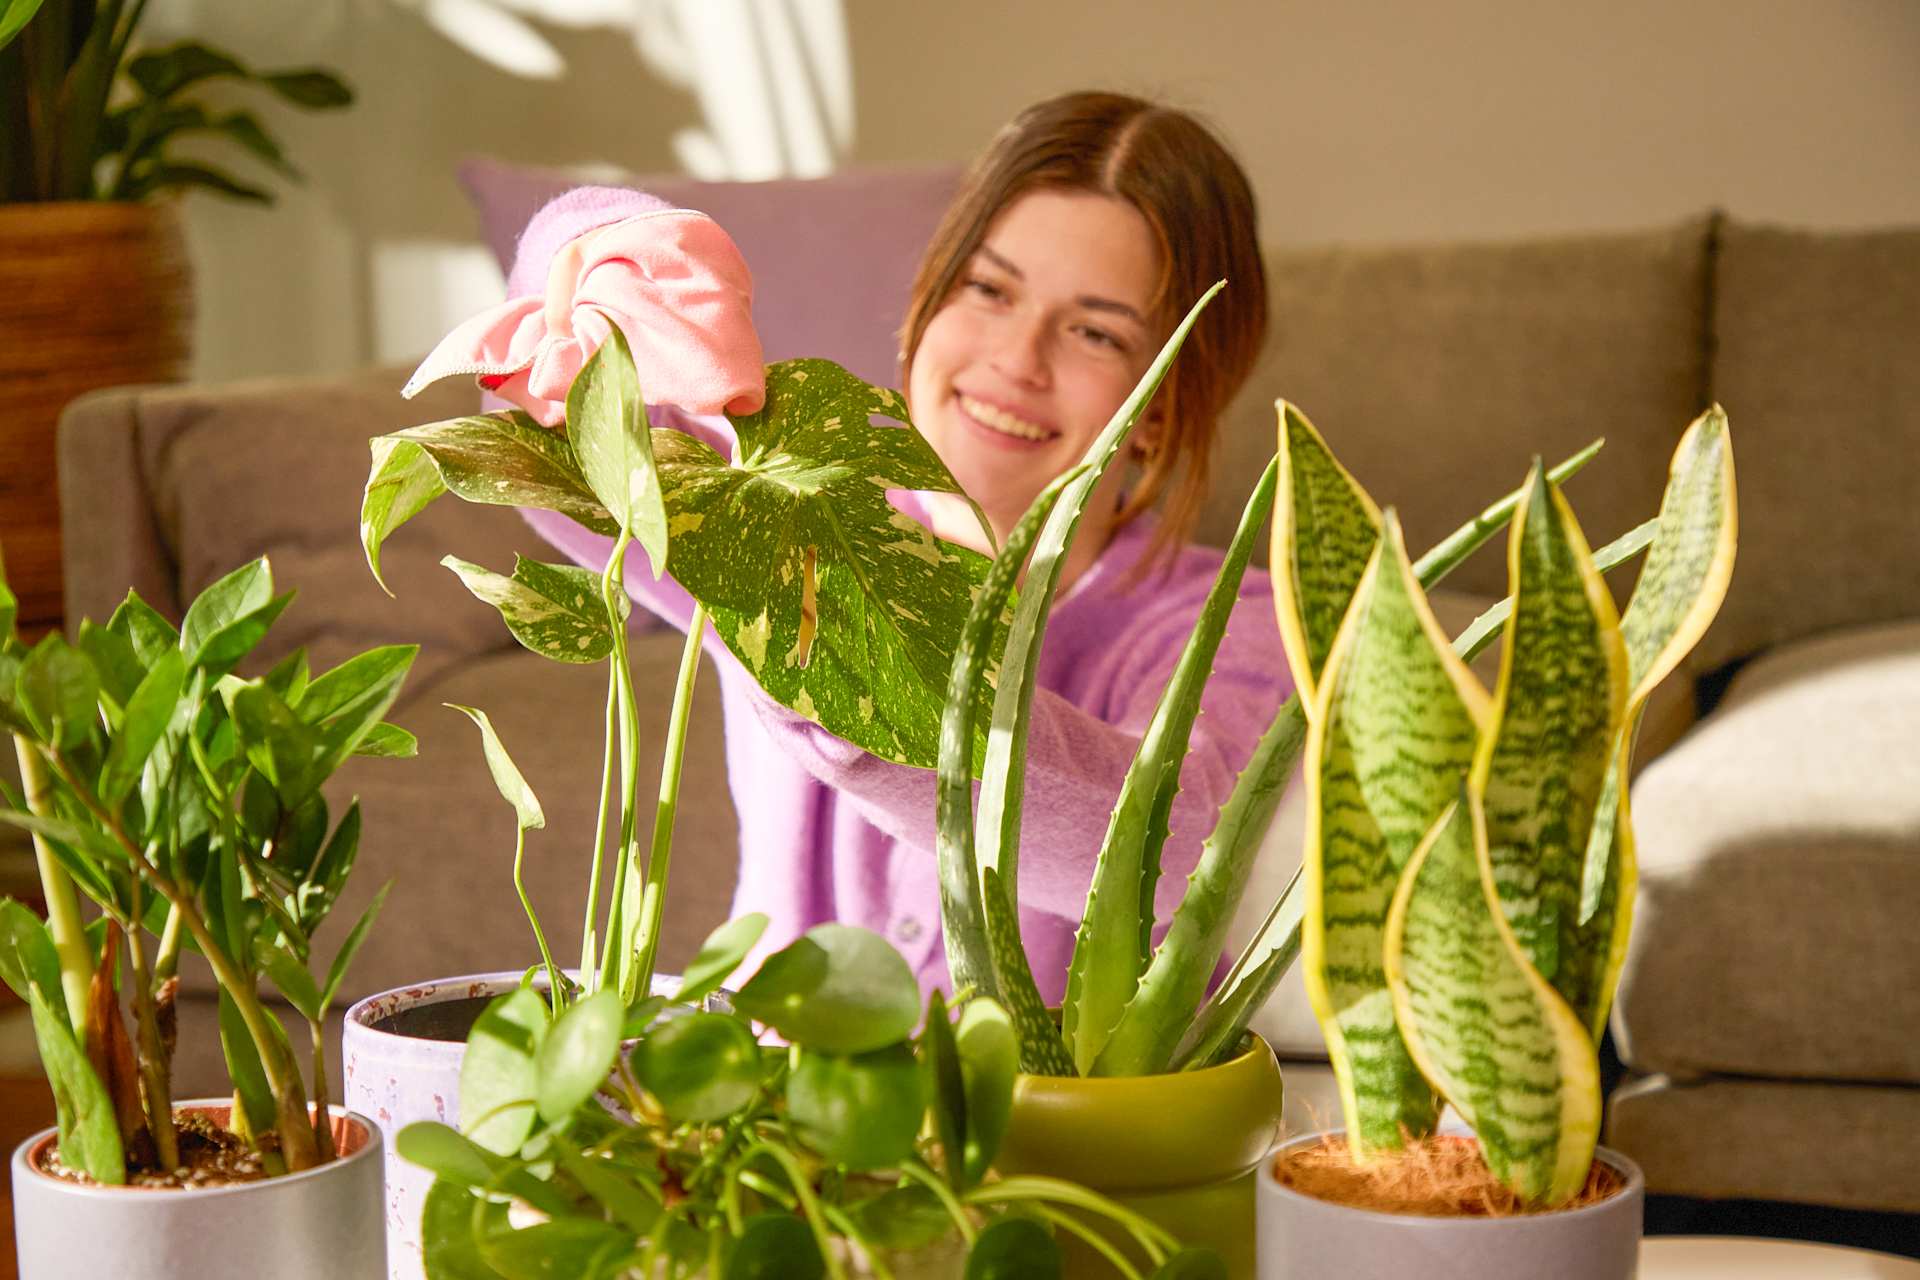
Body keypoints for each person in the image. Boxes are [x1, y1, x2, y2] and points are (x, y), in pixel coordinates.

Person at [407, 90, 1292, 1001]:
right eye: (989, 290)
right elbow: (561, 436)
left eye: (1095, 333)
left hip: (1061, 1097)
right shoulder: (786, 507)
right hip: (765, 1079)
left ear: (1164, 407)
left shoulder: (1236, 621)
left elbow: (1171, 851)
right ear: (927, 298)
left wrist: (858, 678)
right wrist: (606, 260)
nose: (1017, 360)